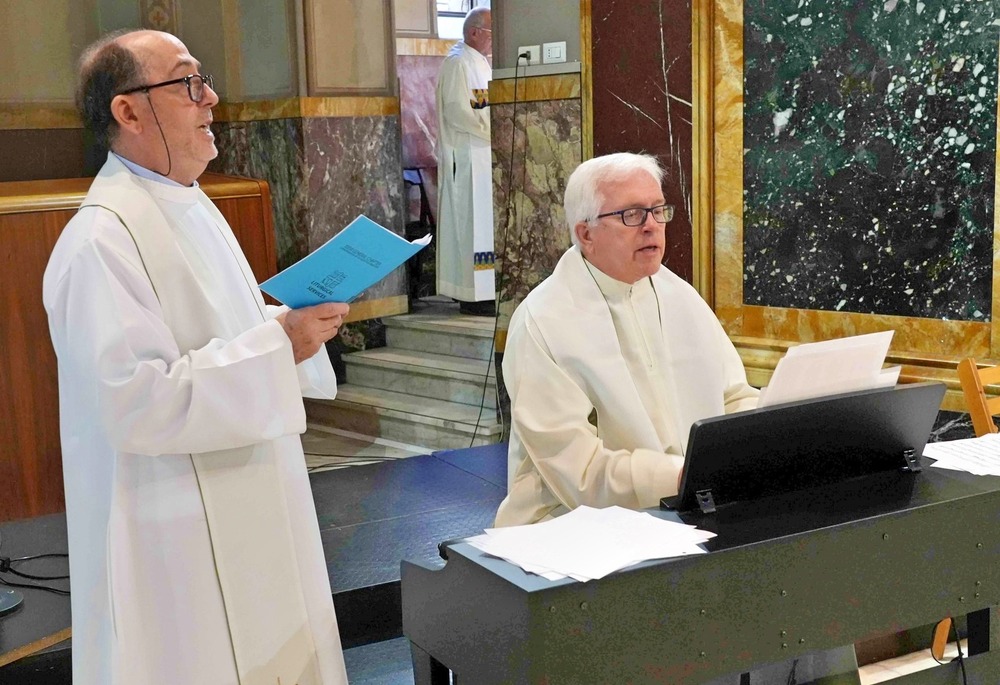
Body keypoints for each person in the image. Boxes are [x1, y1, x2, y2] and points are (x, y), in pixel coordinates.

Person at [43, 30, 349, 685]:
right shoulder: (100, 241)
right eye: (187, 82)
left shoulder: (191, 204)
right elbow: (137, 402)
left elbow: (214, 335)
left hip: (252, 492)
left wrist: (286, 327)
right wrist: (279, 346)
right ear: (128, 111)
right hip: (173, 533)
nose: (211, 97)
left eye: (203, 78)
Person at [494, 152, 859, 684]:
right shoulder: (543, 322)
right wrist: (691, 474)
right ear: (585, 233)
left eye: (658, 211)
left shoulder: (677, 294)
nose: (651, 226)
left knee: (808, 572)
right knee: (703, 603)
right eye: (630, 214)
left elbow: (734, 398)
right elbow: (582, 477)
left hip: (689, 503)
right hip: (574, 530)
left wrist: (776, 436)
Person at [435, 7, 496, 316]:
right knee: (471, 226)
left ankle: (487, 289)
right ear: (474, 32)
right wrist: (494, 128)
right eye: (491, 33)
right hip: (468, 158)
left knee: (485, 226)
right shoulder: (458, 63)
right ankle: (472, 295)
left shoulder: (481, 63)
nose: (494, 40)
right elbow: (458, 111)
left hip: (485, 157)